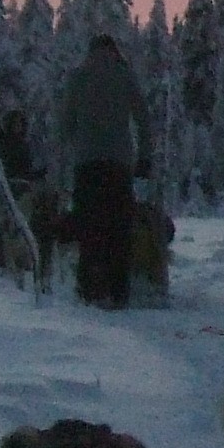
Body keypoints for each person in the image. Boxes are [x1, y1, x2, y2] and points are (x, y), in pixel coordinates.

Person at [56, 31, 150, 307]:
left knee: (89, 226)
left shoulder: (78, 77)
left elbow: (65, 125)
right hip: (119, 164)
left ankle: (89, 289)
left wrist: (66, 157)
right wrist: (145, 157)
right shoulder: (125, 76)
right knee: (119, 227)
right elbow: (143, 118)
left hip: (86, 165)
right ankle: (120, 291)